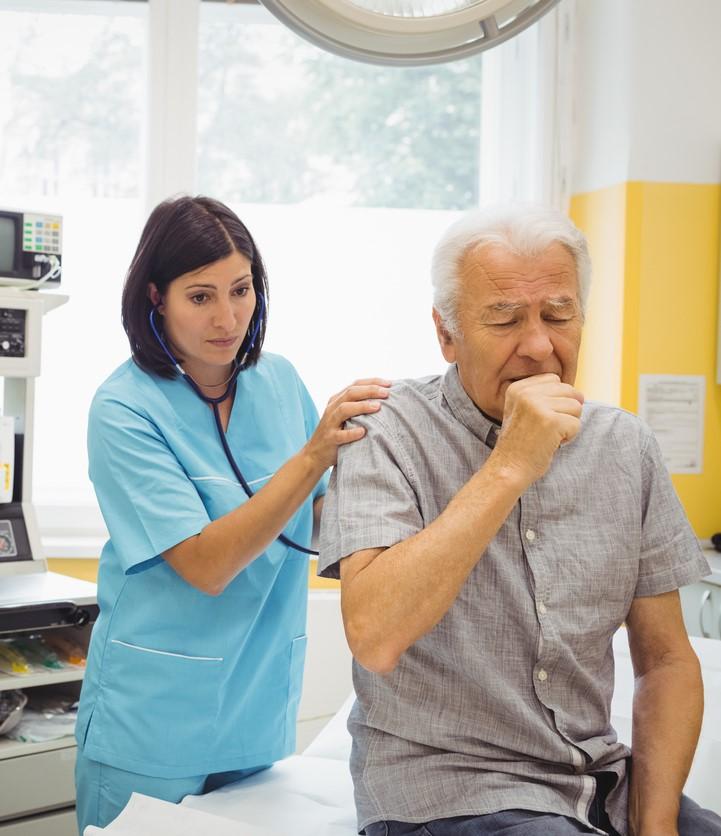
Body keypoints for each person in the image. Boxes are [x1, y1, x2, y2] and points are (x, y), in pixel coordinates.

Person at [318, 205, 721, 836]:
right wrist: (509, 467)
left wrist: (658, 825)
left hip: (597, 782)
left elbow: (667, 661)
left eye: (558, 316)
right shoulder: (385, 429)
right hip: (446, 790)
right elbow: (374, 633)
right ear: (446, 334)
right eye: (504, 319)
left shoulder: (625, 447)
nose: (538, 346)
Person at [74, 195, 390, 832]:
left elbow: (321, 514)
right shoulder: (124, 409)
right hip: (153, 724)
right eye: (201, 296)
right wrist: (313, 455)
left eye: (241, 290)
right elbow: (207, 564)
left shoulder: (278, 382)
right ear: (156, 296)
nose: (228, 317)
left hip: (253, 707)